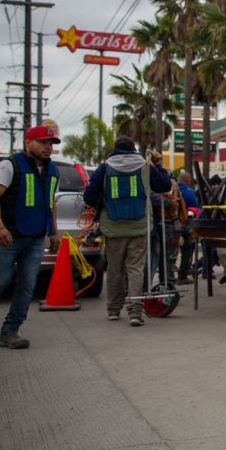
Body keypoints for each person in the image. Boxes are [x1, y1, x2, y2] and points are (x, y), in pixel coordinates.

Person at [0, 123, 63, 349]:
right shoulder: (10, 165)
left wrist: (53, 231)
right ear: (28, 143)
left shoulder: (53, 171)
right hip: (8, 236)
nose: (48, 148)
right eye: (43, 142)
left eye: (51, 143)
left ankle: (10, 330)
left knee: (27, 284)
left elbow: (50, 203)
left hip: (35, 238)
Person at [83, 137, 172, 326]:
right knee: (135, 269)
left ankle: (114, 310)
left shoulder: (104, 168)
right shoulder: (145, 166)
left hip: (112, 228)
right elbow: (165, 185)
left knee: (115, 269)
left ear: (115, 150)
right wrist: (159, 165)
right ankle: (135, 313)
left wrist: (102, 199)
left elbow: (89, 197)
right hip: (139, 226)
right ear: (133, 150)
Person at [176, 171, 200, 285]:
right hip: (186, 226)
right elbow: (195, 210)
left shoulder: (172, 190)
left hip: (173, 226)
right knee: (187, 251)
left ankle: (168, 276)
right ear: (187, 180)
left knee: (171, 253)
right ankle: (182, 275)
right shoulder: (189, 192)